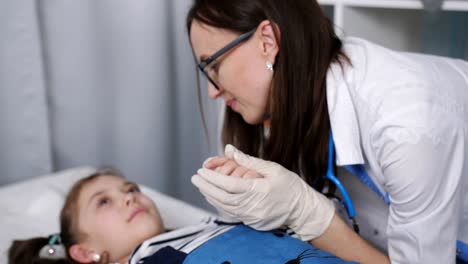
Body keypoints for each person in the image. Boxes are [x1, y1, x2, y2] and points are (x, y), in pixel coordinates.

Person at [186, 0, 468, 263]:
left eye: (213, 65)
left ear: (267, 41)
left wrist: (307, 214)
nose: (213, 91)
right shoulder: (300, 103)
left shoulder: (407, 124)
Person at [8, 168, 356, 264]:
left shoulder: (211, 226)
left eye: (130, 189)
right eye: (103, 202)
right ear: (85, 252)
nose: (128, 198)